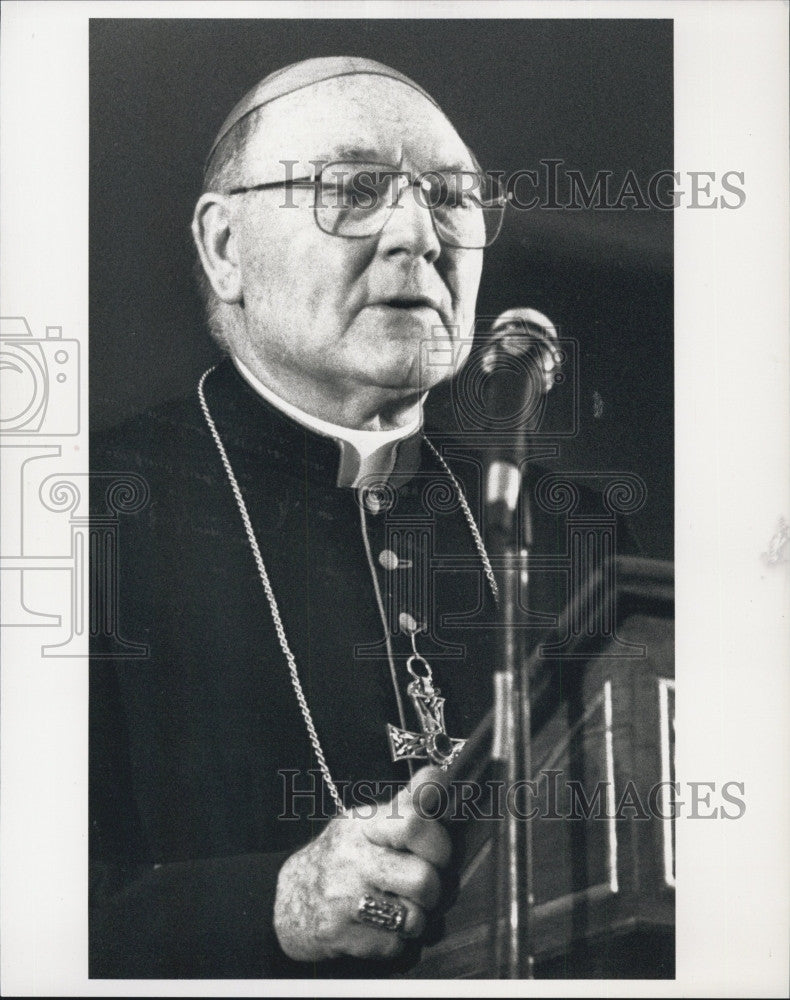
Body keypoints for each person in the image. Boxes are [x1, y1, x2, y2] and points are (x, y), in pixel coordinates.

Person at [89, 56, 589, 978]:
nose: (417, 234)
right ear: (225, 248)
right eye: (353, 188)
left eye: (449, 196)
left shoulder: (568, 532)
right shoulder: (76, 512)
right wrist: (269, 903)